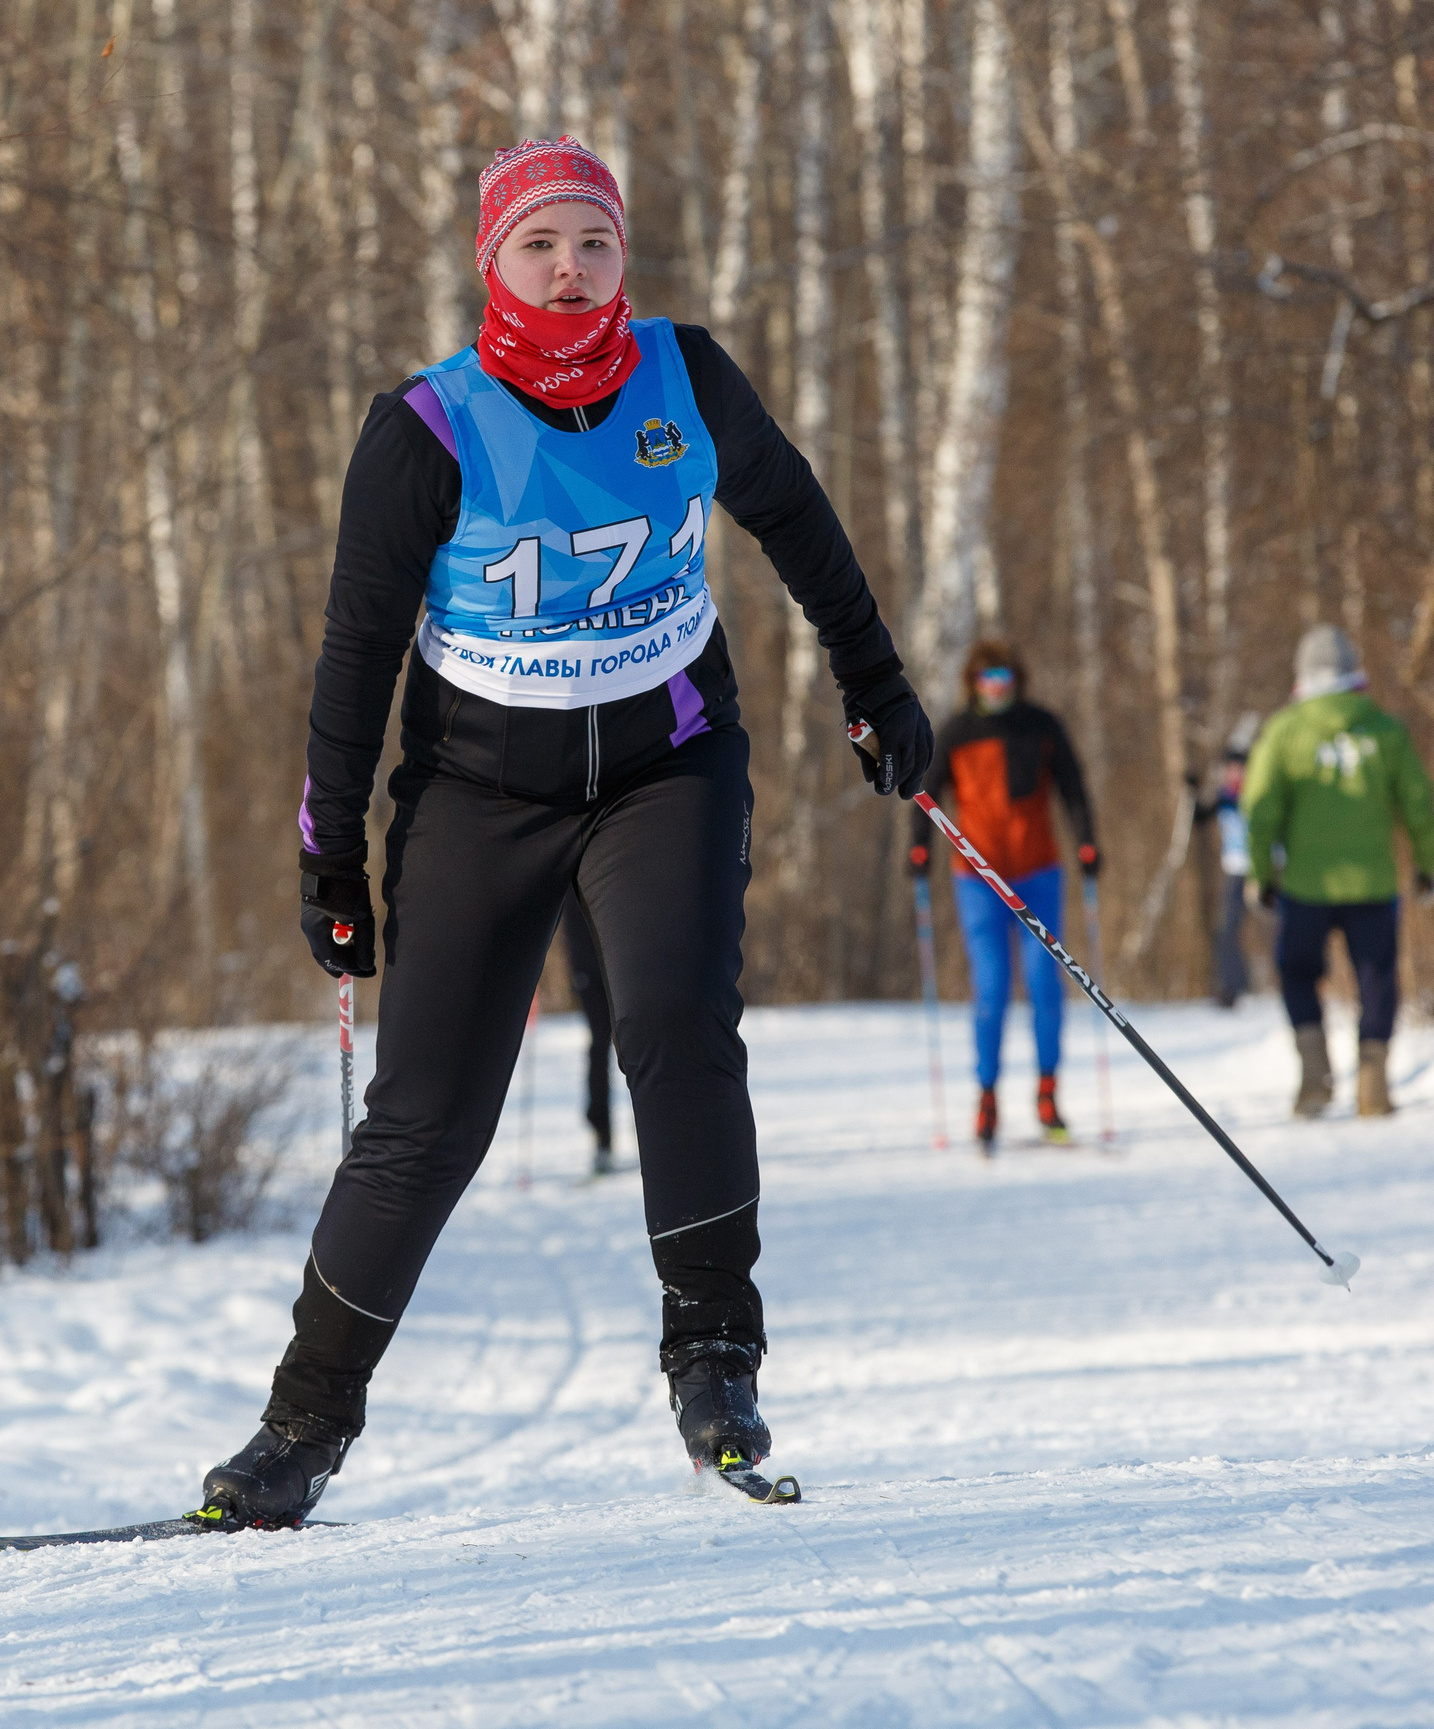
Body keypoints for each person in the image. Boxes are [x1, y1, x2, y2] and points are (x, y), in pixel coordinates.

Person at [201, 137, 933, 1528]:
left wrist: (874, 680)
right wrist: (330, 857)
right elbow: (354, 660)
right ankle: (301, 1425)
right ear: (495, 262)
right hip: (479, 787)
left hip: (667, 760)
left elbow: (796, 521)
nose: (572, 266)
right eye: (541, 243)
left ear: (623, 255)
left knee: (671, 1021)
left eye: (594, 240)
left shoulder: (687, 376)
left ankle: (715, 1356)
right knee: (425, 1117)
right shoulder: (427, 428)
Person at [1244, 624, 1434, 1118]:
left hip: (1306, 884)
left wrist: (1260, 871)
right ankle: (1373, 1083)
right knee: (1376, 977)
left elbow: (1260, 805)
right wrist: (1427, 864)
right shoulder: (1385, 731)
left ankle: (1315, 1076)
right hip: (1373, 882)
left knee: (1297, 972)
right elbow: (1417, 801)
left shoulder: (1285, 731)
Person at [907, 643, 1097, 1151]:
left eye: (1005, 674)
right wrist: (918, 849)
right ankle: (987, 1094)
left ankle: (1048, 1092)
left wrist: (1087, 839)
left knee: (1044, 984)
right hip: (978, 877)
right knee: (990, 987)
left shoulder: (1041, 725)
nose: (998, 684)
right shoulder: (957, 731)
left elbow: (1074, 787)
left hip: (1038, 871)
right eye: (988, 675)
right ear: (973, 681)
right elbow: (925, 791)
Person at [556, 890, 618, 1176]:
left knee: (636, 1043)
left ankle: (654, 1130)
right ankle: (601, 1135)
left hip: (619, 967)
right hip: (589, 972)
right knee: (600, 1046)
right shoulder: (570, 875)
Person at [1202, 725, 1257, 1009]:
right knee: (1226, 929)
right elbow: (1202, 813)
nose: (1234, 774)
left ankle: (1290, 983)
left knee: (1279, 928)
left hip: (1264, 869)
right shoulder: (1225, 795)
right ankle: (1231, 988)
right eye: (1230, 768)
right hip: (1235, 869)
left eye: (1240, 768)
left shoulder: (1258, 791)